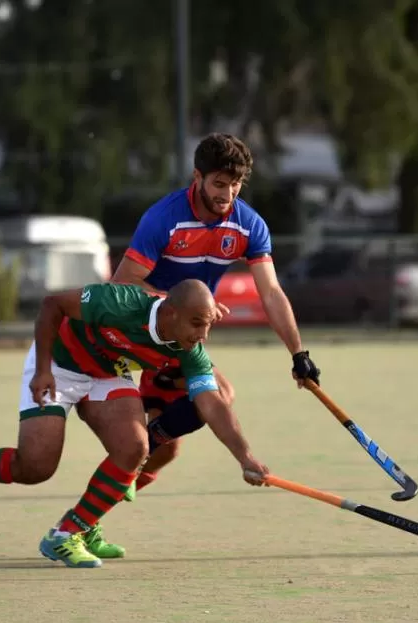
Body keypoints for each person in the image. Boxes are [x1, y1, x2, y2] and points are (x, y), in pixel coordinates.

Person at [0, 280, 270, 568]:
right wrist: (43, 368)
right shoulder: (121, 302)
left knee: (136, 447)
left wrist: (245, 457)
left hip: (105, 372)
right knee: (36, 465)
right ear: (170, 312)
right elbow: (52, 305)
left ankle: (68, 532)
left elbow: (213, 404)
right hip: (57, 363)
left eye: (208, 324)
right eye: (198, 323)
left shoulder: (188, 347)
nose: (203, 334)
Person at [107, 132, 319, 501]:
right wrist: (185, 306)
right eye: (219, 184)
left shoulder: (248, 225)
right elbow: (122, 284)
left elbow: (270, 293)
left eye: (235, 184)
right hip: (144, 330)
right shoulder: (163, 219)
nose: (228, 194)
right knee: (218, 395)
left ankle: (134, 459)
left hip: (184, 336)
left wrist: (298, 353)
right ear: (197, 177)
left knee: (164, 451)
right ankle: (144, 440)